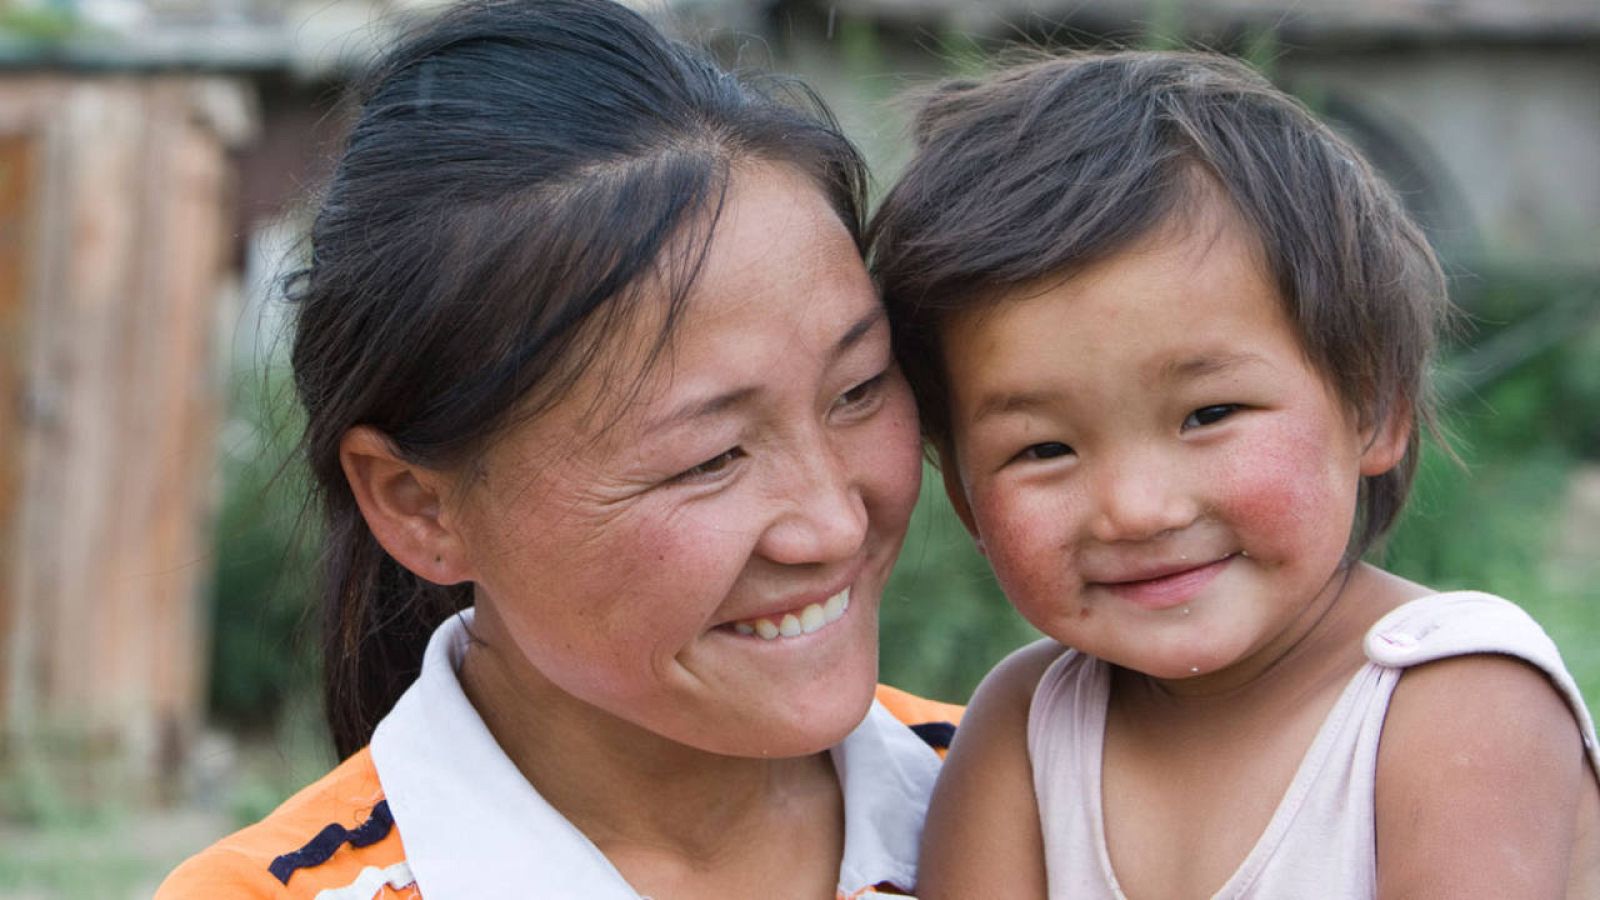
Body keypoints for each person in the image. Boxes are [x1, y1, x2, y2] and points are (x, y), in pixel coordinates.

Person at [158, 1, 961, 896]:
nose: (834, 525)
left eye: (857, 391)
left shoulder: (1054, 806)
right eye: (711, 458)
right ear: (418, 503)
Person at [869, 51, 1600, 898]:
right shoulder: (1024, 728)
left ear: (1373, 408)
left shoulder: (1453, 701)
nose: (1135, 510)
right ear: (964, 495)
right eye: (1044, 450)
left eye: (1208, 415)